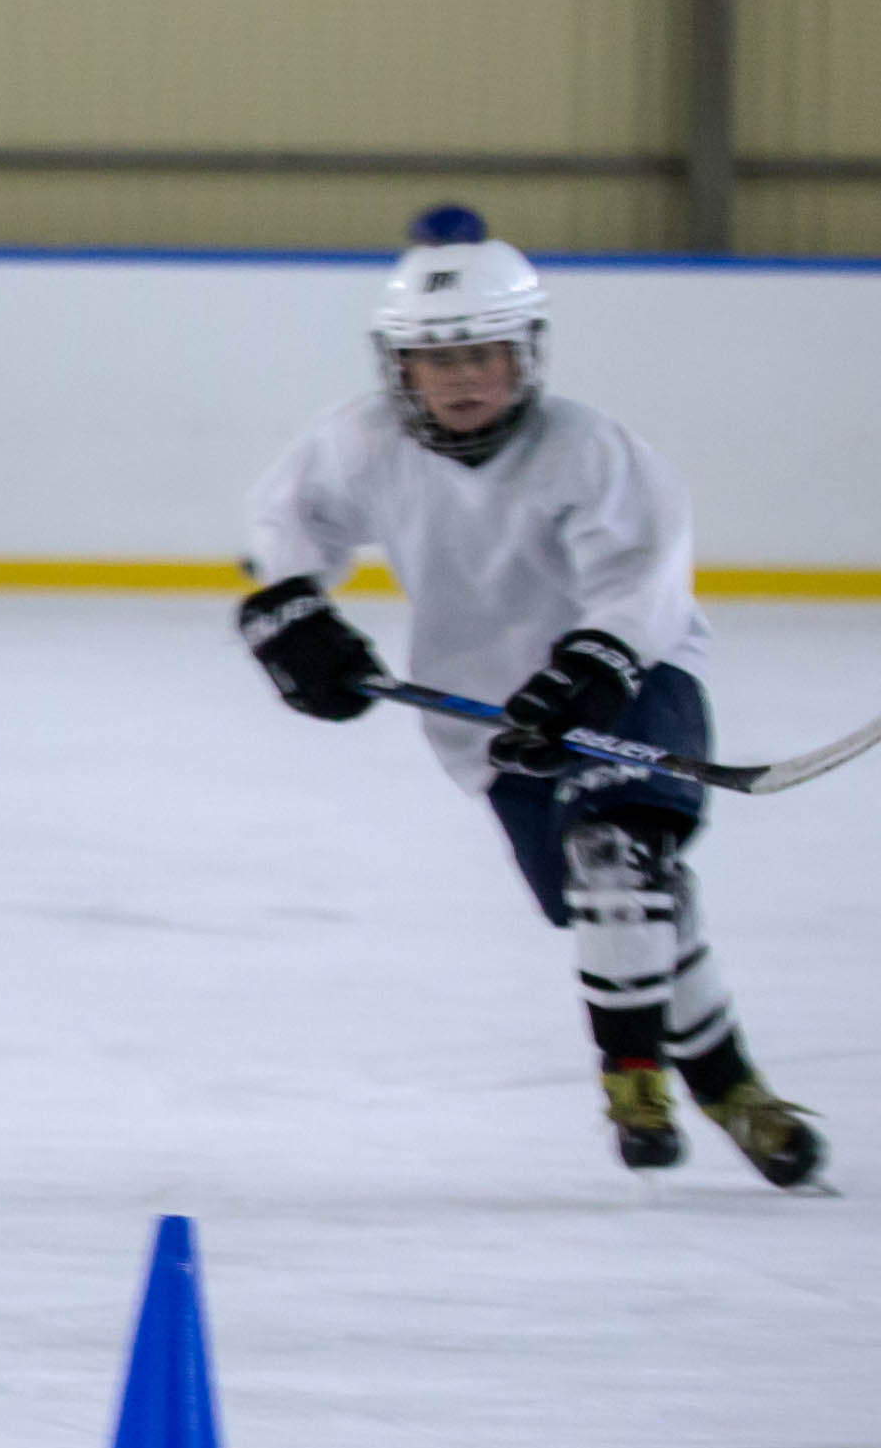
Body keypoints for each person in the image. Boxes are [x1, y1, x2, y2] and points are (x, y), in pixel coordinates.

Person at [238, 212, 825, 1188]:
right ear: (400, 369)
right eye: (438, 358)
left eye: (487, 352)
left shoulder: (593, 450)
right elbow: (283, 519)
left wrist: (594, 669)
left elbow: (644, 586)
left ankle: (631, 1077)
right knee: (625, 904)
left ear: (528, 354)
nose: (465, 376)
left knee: (618, 859)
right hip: (488, 718)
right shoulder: (363, 442)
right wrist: (293, 611)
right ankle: (730, 1087)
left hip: (637, 674)